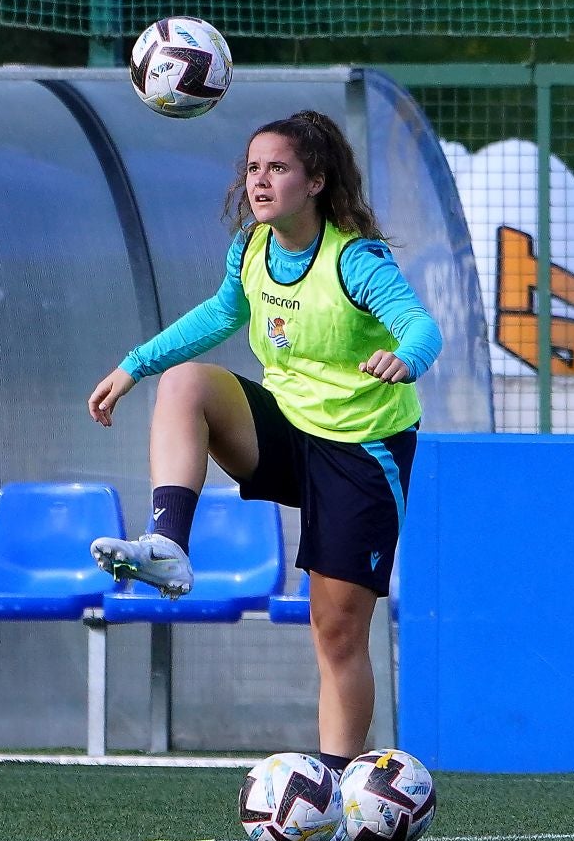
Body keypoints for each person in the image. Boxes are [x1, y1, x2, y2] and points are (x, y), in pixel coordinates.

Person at [86, 110, 442, 775]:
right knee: (186, 383)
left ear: (315, 181)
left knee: (336, 632)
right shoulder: (251, 248)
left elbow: (420, 325)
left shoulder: (355, 259)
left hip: (361, 449)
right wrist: (135, 365)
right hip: (285, 427)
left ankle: (335, 788)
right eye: (253, 168)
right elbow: (222, 313)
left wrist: (406, 357)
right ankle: (167, 544)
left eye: (278, 168)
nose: (259, 180)